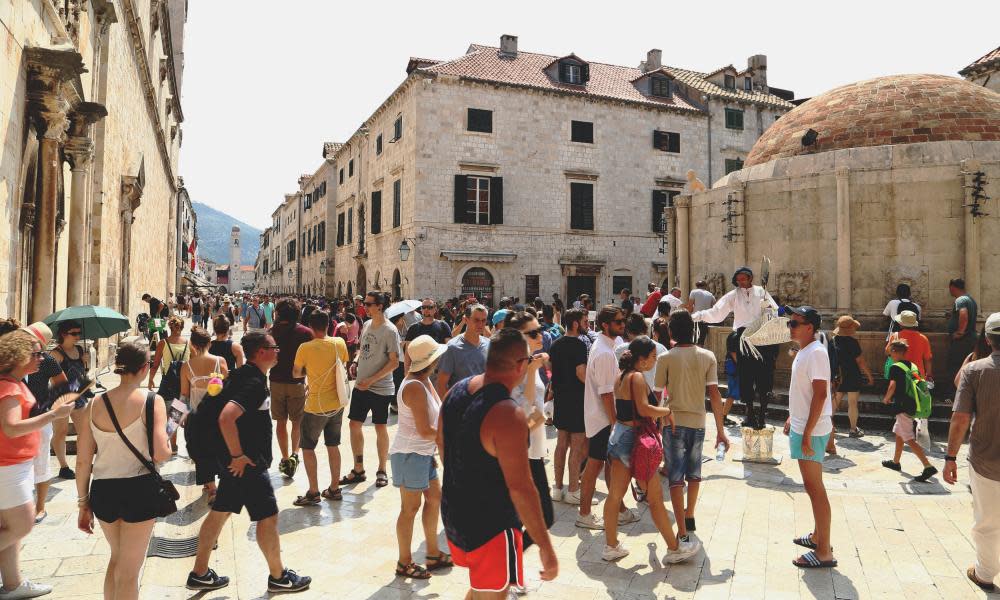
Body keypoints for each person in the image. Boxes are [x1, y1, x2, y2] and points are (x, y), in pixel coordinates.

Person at [186, 333, 312, 594]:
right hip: (248, 465)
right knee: (268, 516)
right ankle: (279, 577)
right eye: (273, 347)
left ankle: (200, 573)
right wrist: (237, 455)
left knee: (220, 512)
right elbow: (226, 418)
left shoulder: (239, 374)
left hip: (235, 464)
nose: (278, 351)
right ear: (261, 352)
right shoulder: (253, 382)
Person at [438, 328, 558, 598]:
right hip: (491, 526)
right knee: (493, 594)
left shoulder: (457, 389)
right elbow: (522, 488)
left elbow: (444, 441)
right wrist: (545, 547)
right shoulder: (507, 413)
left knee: (480, 590)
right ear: (519, 365)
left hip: (455, 513)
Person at [75, 342, 171, 600]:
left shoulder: (93, 404)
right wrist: (170, 435)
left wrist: (83, 502)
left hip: (104, 489)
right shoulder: (153, 401)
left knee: (117, 559)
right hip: (138, 488)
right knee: (129, 570)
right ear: (144, 368)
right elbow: (161, 453)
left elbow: (83, 462)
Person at [601, 336, 701, 563]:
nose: (655, 361)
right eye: (653, 357)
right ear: (642, 358)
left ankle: (610, 546)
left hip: (618, 436)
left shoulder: (621, 376)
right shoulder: (636, 377)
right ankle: (675, 549)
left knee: (615, 495)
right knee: (655, 498)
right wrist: (666, 412)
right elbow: (645, 409)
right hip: (634, 441)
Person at [0, 326, 76, 599]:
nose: (41, 358)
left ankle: (12, 584)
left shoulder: (16, 383)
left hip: (14, 465)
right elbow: (11, 428)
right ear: (19, 356)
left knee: (9, 530)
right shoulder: (8, 387)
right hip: (8, 467)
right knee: (23, 524)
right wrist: (53, 415)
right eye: (36, 354)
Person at [654, 310, 729, 542]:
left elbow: (657, 396)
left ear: (670, 331)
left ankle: (682, 530)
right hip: (698, 422)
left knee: (675, 477)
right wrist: (720, 430)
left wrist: (653, 425)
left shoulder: (664, 358)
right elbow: (715, 395)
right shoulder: (708, 356)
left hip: (672, 422)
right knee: (694, 473)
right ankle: (690, 514)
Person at [944, 312, 1000, 592]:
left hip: (986, 459)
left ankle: (986, 573)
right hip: (986, 459)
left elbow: (961, 418)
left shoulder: (975, 370)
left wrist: (950, 457)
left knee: (988, 520)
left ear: (988, 339)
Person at [782, 306, 837, 569]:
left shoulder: (815, 353)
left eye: (795, 323)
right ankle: (817, 537)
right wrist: (793, 417)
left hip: (811, 430)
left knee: (815, 489)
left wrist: (806, 432)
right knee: (812, 486)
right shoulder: (806, 351)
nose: (790, 326)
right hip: (804, 425)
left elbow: (821, 394)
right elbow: (804, 392)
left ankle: (824, 551)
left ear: (810, 328)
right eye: (790, 322)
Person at [390, 335, 449, 579]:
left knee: (434, 498)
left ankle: (433, 553)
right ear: (432, 360)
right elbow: (425, 430)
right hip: (410, 453)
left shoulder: (423, 380)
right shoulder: (414, 385)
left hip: (423, 453)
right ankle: (404, 562)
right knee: (410, 508)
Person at [692, 267, 779, 429]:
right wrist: (698, 316)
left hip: (762, 338)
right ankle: (750, 414)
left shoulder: (762, 292)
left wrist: (768, 309)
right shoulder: (733, 295)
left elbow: (774, 313)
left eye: (743, 278)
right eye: (738, 279)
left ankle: (762, 415)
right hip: (743, 338)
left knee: (764, 378)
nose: (741, 282)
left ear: (750, 278)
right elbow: (717, 312)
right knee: (746, 378)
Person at [577, 306, 637, 530]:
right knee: (595, 465)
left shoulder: (605, 347)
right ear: (605, 324)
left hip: (601, 417)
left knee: (609, 465)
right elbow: (605, 393)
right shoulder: (603, 353)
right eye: (619, 322)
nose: (623, 325)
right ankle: (584, 514)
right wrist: (614, 424)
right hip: (602, 419)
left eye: (624, 321)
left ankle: (619, 509)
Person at [507, 312, 555, 552]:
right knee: (534, 518)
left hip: (534, 450)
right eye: (534, 333)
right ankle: (507, 573)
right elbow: (522, 414)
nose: (541, 336)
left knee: (542, 518)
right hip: (521, 453)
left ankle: (510, 569)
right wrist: (541, 416)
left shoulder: (529, 363)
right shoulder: (516, 368)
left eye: (541, 330)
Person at [291, 311, 350, 505]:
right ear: (328, 324)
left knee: (308, 447)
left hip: (315, 405)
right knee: (333, 445)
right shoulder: (339, 344)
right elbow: (343, 365)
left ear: (310, 326)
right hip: (337, 404)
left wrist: (311, 371)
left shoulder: (304, 347)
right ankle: (334, 488)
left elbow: (296, 373)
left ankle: (314, 491)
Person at [343, 292, 401, 489]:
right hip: (361, 384)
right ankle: (358, 468)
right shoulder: (367, 324)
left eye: (368, 304)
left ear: (380, 306)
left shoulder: (390, 330)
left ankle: (382, 469)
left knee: (380, 427)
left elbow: (394, 363)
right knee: (354, 425)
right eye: (364, 303)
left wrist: (372, 380)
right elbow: (362, 347)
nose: (364, 307)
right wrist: (356, 362)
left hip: (380, 388)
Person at [18, 320, 68, 523]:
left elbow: (63, 385)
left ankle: (40, 507)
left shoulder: (46, 361)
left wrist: (48, 403)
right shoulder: (12, 359)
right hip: (17, 417)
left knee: (41, 463)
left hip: (39, 417)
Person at [180, 327, 229, 504]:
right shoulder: (220, 361)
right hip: (219, 415)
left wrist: (172, 424)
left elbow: (183, 396)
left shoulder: (187, 367)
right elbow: (227, 388)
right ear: (210, 342)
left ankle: (212, 488)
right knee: (220, 449)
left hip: (197, 416)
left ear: (192, 344)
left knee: (201, 452)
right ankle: (220, 487)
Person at [548, 309, 590, 505]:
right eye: (584, 321)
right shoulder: (579, 345)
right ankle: (573, 490)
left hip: (561, 398)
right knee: (577, 445)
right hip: (577, 399)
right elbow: (581, 373)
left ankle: (557, 488)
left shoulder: (555, 344)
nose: (587, 324)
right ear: (575, 324)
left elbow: (550, 368)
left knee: (561, 444)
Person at [880, 339, 937, 481]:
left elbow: (892, 385)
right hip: (913, 404)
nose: (889, 354)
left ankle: (928, 466)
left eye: (890, 351)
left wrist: (886, 398)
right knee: (900, 432)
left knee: (908, 438)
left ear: (894, 352)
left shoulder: (895, 367)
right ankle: (895, 462)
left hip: (902, 406)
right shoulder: (912, 365)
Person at [269, 299, 312, 479]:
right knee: (297, 422)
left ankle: (285, 457)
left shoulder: (271, 332)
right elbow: (311, 358)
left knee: (280, 422)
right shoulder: (306, 333)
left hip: (276, 381)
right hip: (298, 382)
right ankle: (295, 454)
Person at [50, 320, 94, 478]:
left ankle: (83, 461)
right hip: (60, 398)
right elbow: (52, 378)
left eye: (78, 333)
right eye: (74, 333)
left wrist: (85, 363)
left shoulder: (80, 350)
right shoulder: (56, 354)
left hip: (79, 397)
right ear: (63, 334)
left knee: (85, 431)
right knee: (60, 432)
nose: (77, 336)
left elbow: (82, 374)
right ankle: (64, 466)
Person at [832, 316, 874, 437]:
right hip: (853, 374)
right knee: (853, 403)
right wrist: (869, 376)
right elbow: (860, 362)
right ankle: (853, 429)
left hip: (838, 376)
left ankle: (828, 426)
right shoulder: (853, 342)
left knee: (835, 401)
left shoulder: (833, 341)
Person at [436, 305, 490, 398]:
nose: (480, 324)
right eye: (476, 320)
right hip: (460, 408)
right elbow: (441, 385)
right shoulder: (452, 347)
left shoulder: (489, 344)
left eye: (483, 320)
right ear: (466, 320)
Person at [403, 299, 451, 372]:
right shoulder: (413, 328)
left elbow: (449, 348)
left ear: (435, 309)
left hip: (438, 369)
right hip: (418, 370)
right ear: (421, 309)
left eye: (429, 307)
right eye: (423, 307)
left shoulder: (443, 325)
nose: (426, 309)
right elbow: (408, 352)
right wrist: (406, 372)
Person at [887, 311, 933, 386]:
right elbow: (928, 359)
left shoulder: (895, 336)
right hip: (918, 375)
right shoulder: (923, 338)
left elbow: (887, 352)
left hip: (900, 373)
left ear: (901, 324)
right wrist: (929, 375)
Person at [947, 278, 979, 384]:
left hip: (962, 340)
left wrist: (960, 332)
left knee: (955, 366)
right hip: (971, 339)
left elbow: (963, 314)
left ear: (953, 287)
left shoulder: (960, 300)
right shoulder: (971, 300)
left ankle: (953, 394)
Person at [687, 281, 717, 346]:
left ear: (697, 286)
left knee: (694, 339)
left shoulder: (694, 292)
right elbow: (715, 306)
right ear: (705, 286)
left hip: (696, 318)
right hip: (706, 319)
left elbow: (690, 306)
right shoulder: (710, 294)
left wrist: (688, 316)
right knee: (701, 340)